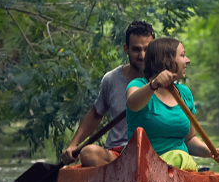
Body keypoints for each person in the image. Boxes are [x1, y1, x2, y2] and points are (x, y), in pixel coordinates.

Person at [62, 21, 155, 167]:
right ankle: (123, 170)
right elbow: (96, 114)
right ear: (126, 49)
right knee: (88, 153)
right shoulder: (111, 79)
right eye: (136, 49)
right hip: (116, 154)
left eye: (147, 49)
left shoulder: (164, 81)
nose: (142, 56)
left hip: (153, 153)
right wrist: (73, 144)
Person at [125, 37, 219, 171]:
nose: (187, 60)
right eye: (183, 55)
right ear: (166, 61)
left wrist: (212, 152)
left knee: (181, 156)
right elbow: (133, 104)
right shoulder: (138, 85)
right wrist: (153, 85)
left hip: (179, 168)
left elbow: (190, 140)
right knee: (180, 156)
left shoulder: (185, 93)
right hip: (144, 166)